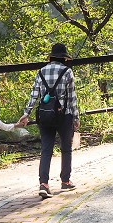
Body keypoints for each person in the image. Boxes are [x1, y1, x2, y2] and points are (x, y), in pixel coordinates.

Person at [17, 43, 80, 198]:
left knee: (46, 149)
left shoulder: (41, 72)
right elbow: (72, 97)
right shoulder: (67, 72)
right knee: (66, 148)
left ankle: (43, 183)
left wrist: (26, 114)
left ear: (51, 57)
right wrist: (76, 117)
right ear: (64, 58)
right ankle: (65, 180)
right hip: (63, 115)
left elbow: (34, 95)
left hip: (44, 115)